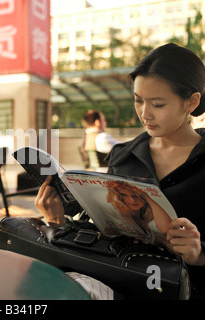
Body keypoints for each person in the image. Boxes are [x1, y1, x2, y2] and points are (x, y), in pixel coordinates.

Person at [35, 43, 205, 299]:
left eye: (158, 104)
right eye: (138, 101)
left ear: (191, 102)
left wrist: (199, 254)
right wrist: (56, 222)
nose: (144, 114)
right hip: (124, 283)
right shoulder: (124, 156)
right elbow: (107, 236)